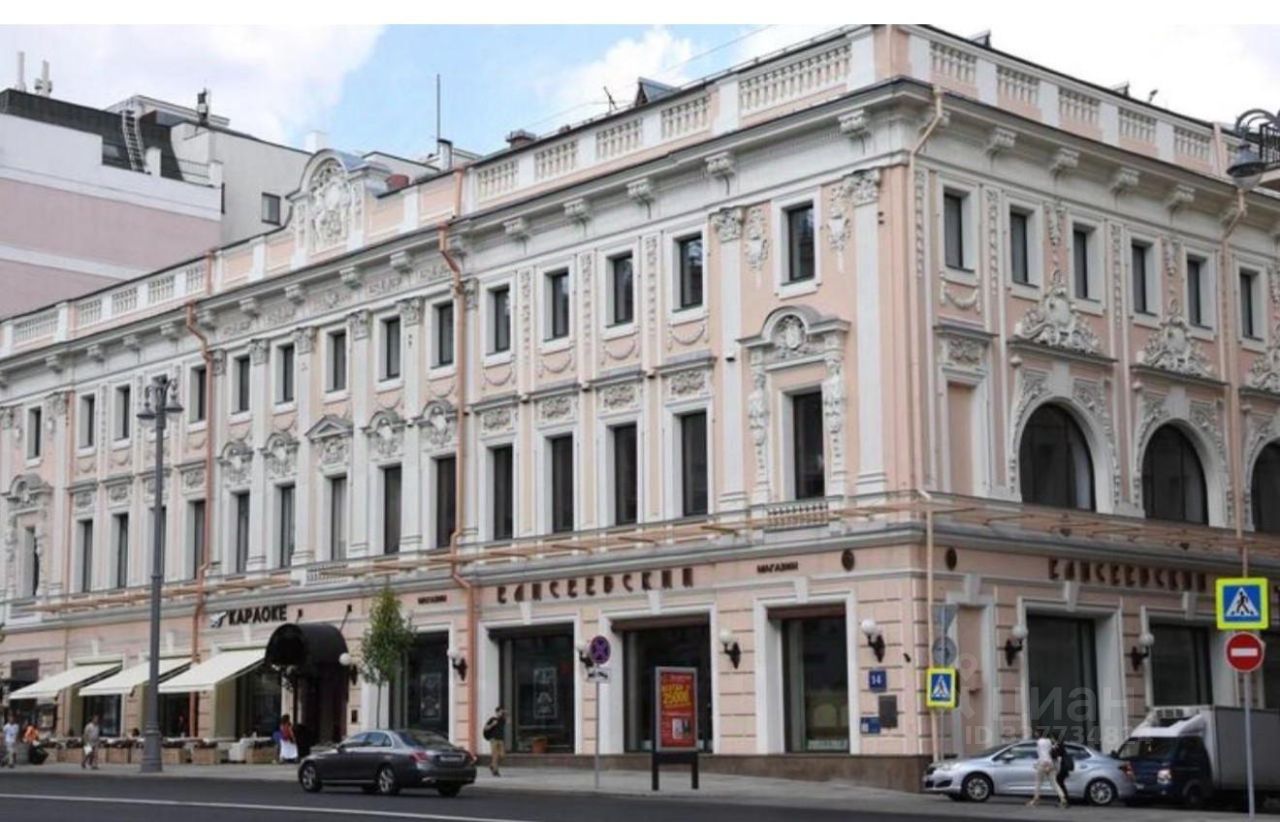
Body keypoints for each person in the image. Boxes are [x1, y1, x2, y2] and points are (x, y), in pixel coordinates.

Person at [1028, 728, 1068, 808]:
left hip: (1043, 763)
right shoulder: (1049, 741)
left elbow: (1041, 754)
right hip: (1050, 763)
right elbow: (1051, 751)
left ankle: (1035, 800)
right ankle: (1063, 798)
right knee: (1054, 783)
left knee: (1038, 782)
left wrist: (1037, 763)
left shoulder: (1039, 742)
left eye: (1036, 732)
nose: (1035, 734)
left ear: (1039, 733)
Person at [482, 707, 507, 777]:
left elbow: (508, 720)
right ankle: (495, 771)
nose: (501, 713)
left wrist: (505, 713)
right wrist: (492, 724)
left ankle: (492, 765)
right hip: (493, 739)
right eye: (500, 712)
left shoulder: (502, 720)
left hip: (501, 739)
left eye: (501, 712)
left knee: (502, 755)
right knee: (495, 756)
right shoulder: (492, 719)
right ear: (497, 712)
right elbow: (486, 728)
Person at [1052, 734, 1074, 801]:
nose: (1052, 740)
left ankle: (1064, 798)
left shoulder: (1059, 746)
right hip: (1062, 767)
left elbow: (1055, 755)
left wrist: (1053, 748)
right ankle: (1063, 797)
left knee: (1059, 782)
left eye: (1053, 738)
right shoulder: (1061, 745)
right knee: (1060, 782)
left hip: (1062, 767)